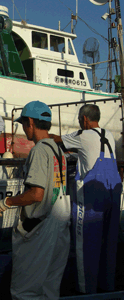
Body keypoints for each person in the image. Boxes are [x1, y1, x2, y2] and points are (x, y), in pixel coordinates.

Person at [0, 101, 70, 300]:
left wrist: (7, 202)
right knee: (49, 289)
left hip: (40, 229)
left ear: (30, 122)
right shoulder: (58, 151)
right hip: (60, 226)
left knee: (25, 292)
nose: (23, 129)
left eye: (23, 124)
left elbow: (36, 194)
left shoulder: (38, 151)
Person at [50, 104, 122, 294]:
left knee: (85, 244)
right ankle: (107, 289)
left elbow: (55, 140)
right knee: (109, 243)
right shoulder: (109, 136)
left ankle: (86, 291)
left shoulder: (82, 135)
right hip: (112, 193)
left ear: (84, 120)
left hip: (92, 196)